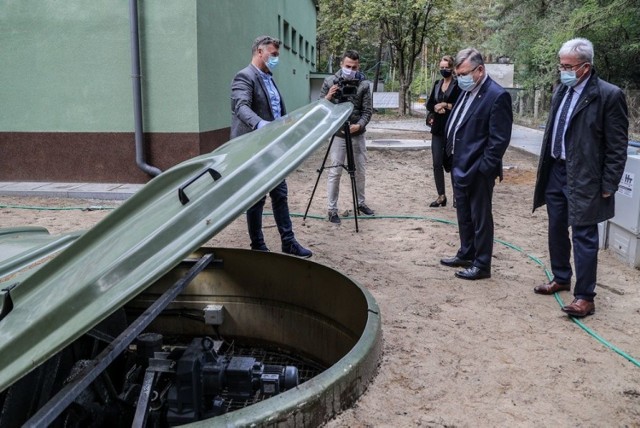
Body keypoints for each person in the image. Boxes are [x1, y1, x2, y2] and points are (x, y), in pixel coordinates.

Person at [532, 38, 628, 317]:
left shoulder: (608, 95)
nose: (562, 71)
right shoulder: (561, 90)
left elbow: (617, 145)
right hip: (557, 172)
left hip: (587, 177)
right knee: (556, 228)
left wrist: (610, 183)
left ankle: (585, 296)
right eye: (560, 65)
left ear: (585, 67)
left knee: (584, 235)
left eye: (568, 66)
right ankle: (561, 276)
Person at [230, 35, 312, 258]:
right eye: (273, 54)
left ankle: (289, 242)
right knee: (256, 199)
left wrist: (287, 125)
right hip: (254, 148)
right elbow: (241, 107)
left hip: (273, 147)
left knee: (280, 194)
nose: (276, 58)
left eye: (277, 55)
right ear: (259, 51)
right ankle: (258, 246)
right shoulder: (245, 76)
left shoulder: (268, 78)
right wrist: (260, 124)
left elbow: (275, 111)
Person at [439, 48, 513, 280]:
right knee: (464, 214)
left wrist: (484, 169)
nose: (460, 78)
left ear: (480, 70)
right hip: (459, 165)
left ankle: (482, 264)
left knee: (480, 217)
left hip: (478, 170)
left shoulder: (496, 95)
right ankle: (466, 252)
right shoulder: (467, 91)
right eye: (458, 73)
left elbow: (499, 140)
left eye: (464, 73)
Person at [319, 50, 374, 225]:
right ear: (341, 64)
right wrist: (329, 96)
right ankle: (332, 209)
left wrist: (360, 125)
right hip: (338, 134)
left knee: (360, 171)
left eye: (354, 67)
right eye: (347, 66)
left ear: (359, 66)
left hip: (357, 133)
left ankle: (361, 203)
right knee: (335, 171)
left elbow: (367, 111)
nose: (350, 69)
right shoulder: (330, 81)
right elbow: (321, 107)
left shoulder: (364, 84)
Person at [426, 55, 461, 208]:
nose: (444, 70)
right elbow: (429, 104)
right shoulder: (436, 84)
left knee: (453, 164)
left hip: (452, 129)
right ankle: (441, 196)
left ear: (452, 68)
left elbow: (461, 106)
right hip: (437, 128)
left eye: (446, 67)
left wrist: (445, 105)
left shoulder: (458, 85)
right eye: (441, 67)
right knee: (436, 163)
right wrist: (435, 107)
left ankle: (457, 197)